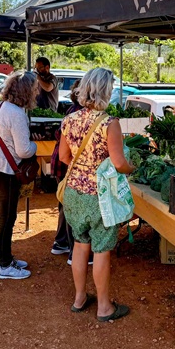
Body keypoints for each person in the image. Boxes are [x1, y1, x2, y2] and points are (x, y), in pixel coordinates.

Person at [59, 67, 136, 322]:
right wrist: (132, 167)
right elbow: (118, 164)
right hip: (99, 197)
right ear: (106, 90)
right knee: (101, 250)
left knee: (80, 245)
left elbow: (63, 157)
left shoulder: (69, 119)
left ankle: (79, 298)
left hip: (73, 194)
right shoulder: (109, 123)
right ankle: (104, 307)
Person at [0, 71, 39, 280]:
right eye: (34, 89)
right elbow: (24, 150)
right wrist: (36, 145)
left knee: (2, 216)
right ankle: (4, 265)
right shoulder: (16, 113)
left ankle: (3, 257)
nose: (36, 93)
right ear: (26, 91)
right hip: (5, 171)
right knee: (7, 218)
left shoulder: (3, 106)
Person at [50, 80, 83, 260]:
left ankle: (61, 242)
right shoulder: (78, 114)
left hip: (61, 164)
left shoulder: (72, 110)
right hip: (67, 165)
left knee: (65, 205)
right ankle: (73, 250)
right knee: (72, 207)